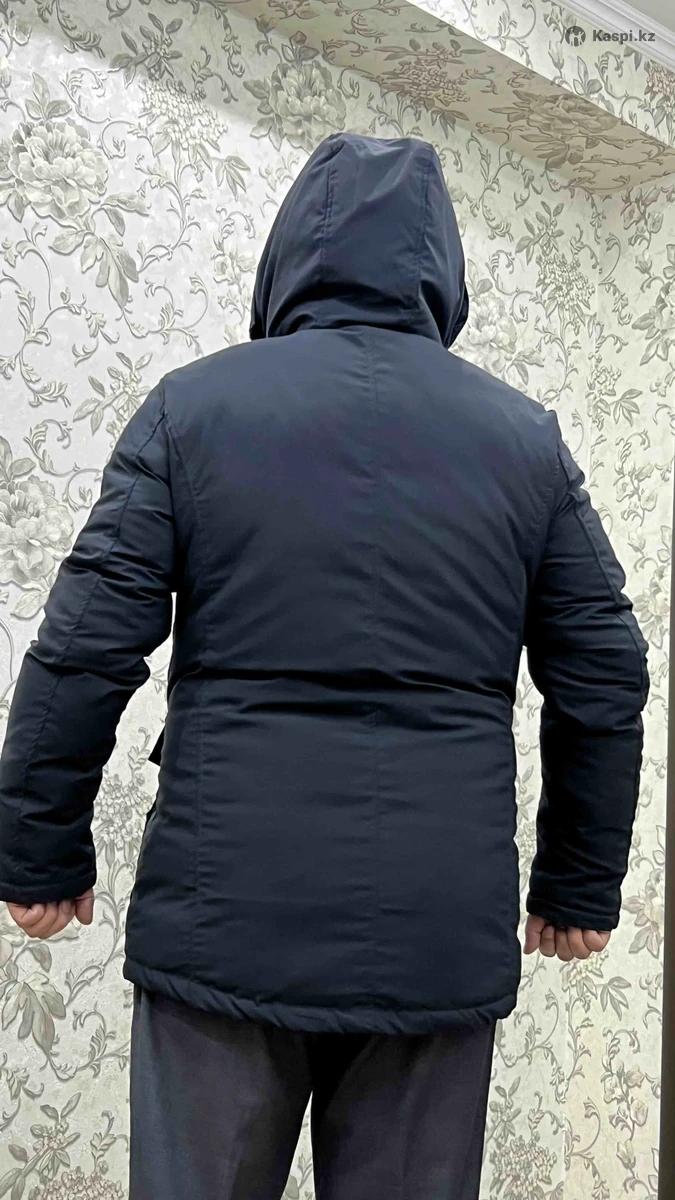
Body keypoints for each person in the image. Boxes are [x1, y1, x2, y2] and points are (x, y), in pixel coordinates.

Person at [0, 132, 650, 1200]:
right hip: (435, 931)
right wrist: (577, 882)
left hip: (223, 917)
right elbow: (606, 672)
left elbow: (83, 648)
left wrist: (39, 850)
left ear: (288, 255)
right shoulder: (524, 441)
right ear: (442, 269)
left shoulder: (192, 409)